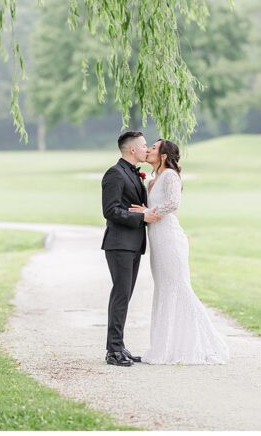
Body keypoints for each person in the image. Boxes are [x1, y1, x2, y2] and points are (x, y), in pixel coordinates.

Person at [131, 139, 229, 365]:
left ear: (164, 156)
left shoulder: (170, 177)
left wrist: (147, 211)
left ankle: (203, 343)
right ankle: (166, 346)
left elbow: (173, 204)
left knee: (178, 287)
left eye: (153, 148)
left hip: (169, 239)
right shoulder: (152, 181)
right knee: (164, 289)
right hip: (157, 239)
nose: (148, 150)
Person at [100, 131, 161, 367]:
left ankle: (119, 346)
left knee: (125, 296)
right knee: (121, 295)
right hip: (119, 244)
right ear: (132, 150)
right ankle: (113, 350)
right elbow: (110, 210)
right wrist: (142, 217)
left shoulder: (134, 174)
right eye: (145, 146)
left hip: (134, 244)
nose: (147, 149)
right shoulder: (114, 174)